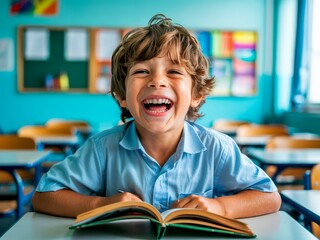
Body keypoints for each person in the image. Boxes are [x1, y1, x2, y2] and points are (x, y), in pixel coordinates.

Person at [32, 14, 281, 218]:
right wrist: (99, 205)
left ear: (196, 94)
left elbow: (270, 197)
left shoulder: (217, 148)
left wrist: (221, 207)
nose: (157, 81)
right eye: (142, 71)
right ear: (121, 96)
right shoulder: (102, 148)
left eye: (173, 71)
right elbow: (44, 196)